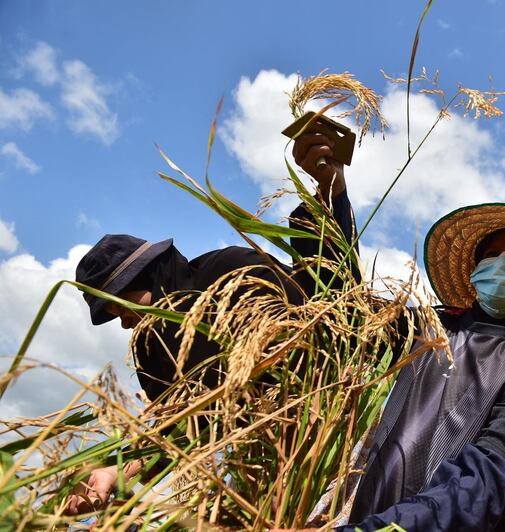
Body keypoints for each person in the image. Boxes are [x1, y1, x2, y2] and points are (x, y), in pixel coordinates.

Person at [64, 131, 357, 515]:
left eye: (122, 307)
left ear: (150, 276)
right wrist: (115, 472)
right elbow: (180, 434)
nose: (125, 325)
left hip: (341, 433)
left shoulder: (230, 271)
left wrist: (330, 195)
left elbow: (333, 305)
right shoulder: (155, 355)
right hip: (275, 471)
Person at [336, 203, 505, 531]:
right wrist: (332, 194)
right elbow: (339, 308)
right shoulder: (425, 328)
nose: (503, 263)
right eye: (492, 254)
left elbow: (481, 486)